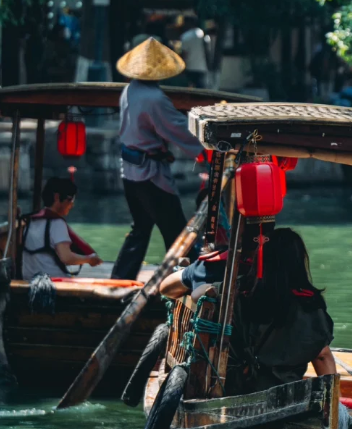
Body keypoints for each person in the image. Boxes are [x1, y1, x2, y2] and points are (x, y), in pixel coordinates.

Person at [198, 227, 336, 393]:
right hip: (285, 391)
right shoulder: (308, 302)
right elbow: (321, 355)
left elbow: (195, 294)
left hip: (235, 387)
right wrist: (336, 402)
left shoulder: (236, 291)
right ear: (298, 262)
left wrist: (212, 287)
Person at [112, 37, 203, 280]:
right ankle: (189, 281)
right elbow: (177, 129)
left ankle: (120, 279)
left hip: (130, 171)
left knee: (140, 228)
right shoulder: (155, 98)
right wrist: (208, 146)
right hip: (150, 174)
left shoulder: (129, 90)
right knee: (176, 232)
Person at [21, 177, 102, 279]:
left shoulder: (29, 221)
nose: (72, 205)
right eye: (70, 199)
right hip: (52, 282)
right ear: (57, 197)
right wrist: (89, 259)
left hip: (28, 279)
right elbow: (66, 257)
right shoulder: (57, 223)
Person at [179, 15, 210, 89]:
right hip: (202, 68)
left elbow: (184, 54)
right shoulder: (204, 36)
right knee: (202, 91)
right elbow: (207, 53)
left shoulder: (185, 36)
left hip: (190, 68)